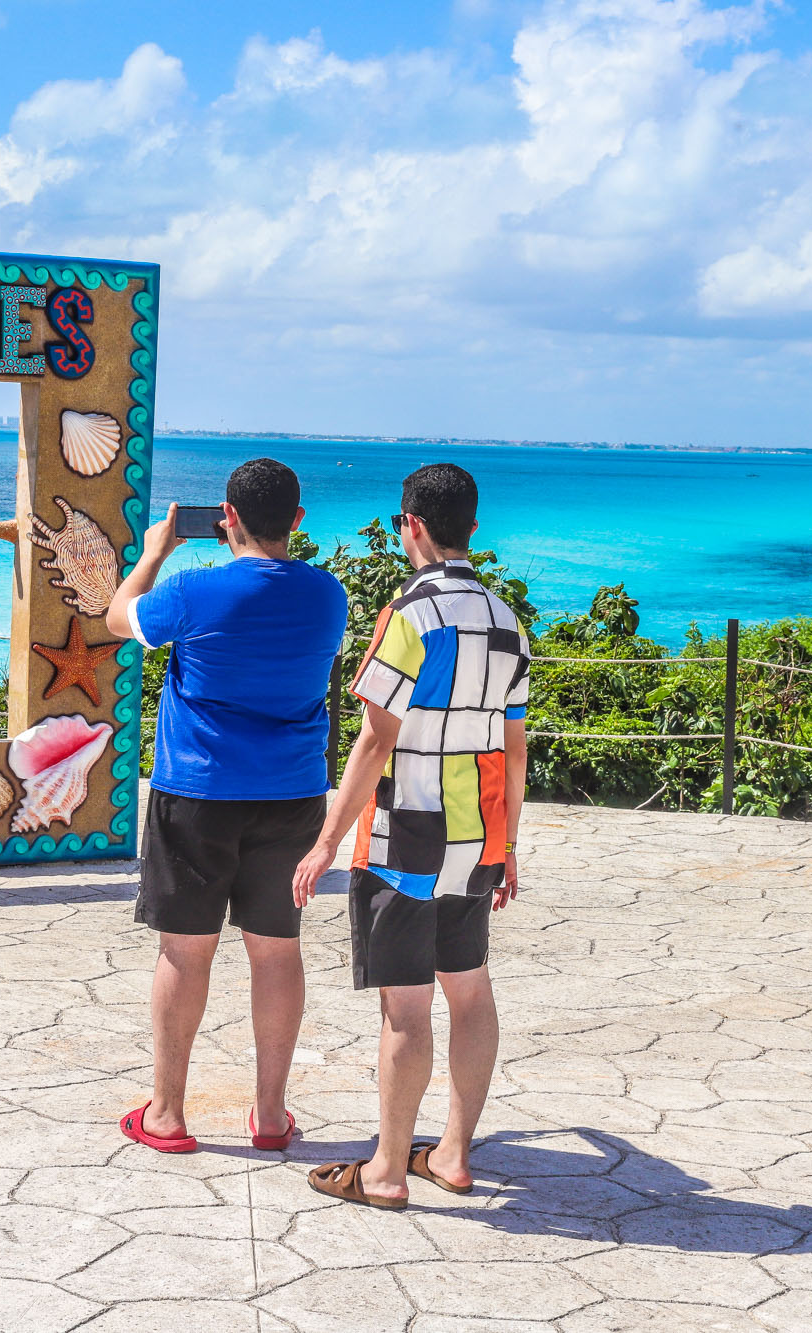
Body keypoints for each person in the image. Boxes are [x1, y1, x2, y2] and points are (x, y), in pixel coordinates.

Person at [291, 462, 530, 1208]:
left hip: (406, 835)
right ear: (472, 529)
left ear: (412, 526)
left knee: (406, 1006)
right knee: (471, 989)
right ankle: (453, 1154)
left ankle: (388, 1169)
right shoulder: (507, 619)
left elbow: (375, 739)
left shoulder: (409, 614)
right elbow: (515, 748)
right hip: (478, 829)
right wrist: (508, 842)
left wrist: (327, 840)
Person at [105, 458, 349, 1154]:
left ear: (227, 518)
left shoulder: (194, 591)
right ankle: (270, 1114)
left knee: (185, 951)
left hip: (199, 792)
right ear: (297, 520)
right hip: (293, 792)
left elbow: (119, 618)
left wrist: (154, 553)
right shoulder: (328, 595)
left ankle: (167, 1114)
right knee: (276, 952)